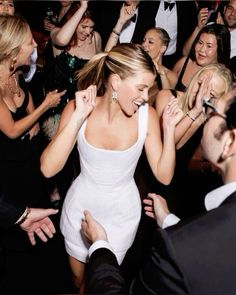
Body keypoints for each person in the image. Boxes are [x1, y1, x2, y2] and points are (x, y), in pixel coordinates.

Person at [40, 43, 182, 293]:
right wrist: (77, 117)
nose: (145, 95)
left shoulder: (146, 117)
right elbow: (48, 169)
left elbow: (165, 175)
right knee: (79, 284)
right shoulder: (79, 108)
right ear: (116, 82)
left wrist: (168, 129)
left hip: (122, 215)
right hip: (81, 211)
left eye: (147, 89)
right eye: (140, 88)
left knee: (101, 283)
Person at [82, 87, 236, 295]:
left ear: (230, 143)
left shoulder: (177, 251)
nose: (206, 117)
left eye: (211, 110)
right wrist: (168, 220)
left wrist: (100, 247)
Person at [0, 15, 72, 294]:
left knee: (44, 244)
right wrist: (46, 106)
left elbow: (31, 127)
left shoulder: (20, 80)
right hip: (8, 182)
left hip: (32, 175)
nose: (34, 43)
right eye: (28, 41)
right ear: (10, 48)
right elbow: (12, 131)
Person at [173, 23, 230, 92]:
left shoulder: (221, 79)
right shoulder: (183, 63)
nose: (201, 49)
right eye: (200, 43)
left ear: (220, 49)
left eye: (209, 46)